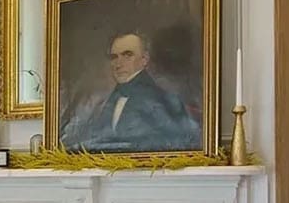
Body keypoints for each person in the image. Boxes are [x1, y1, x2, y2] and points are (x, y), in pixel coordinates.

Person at [61, 31, 200, 152]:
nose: (118, 64)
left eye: (127, 55)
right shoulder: (107, 101)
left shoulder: (163, 100)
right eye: (114, 57)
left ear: (144, 60)